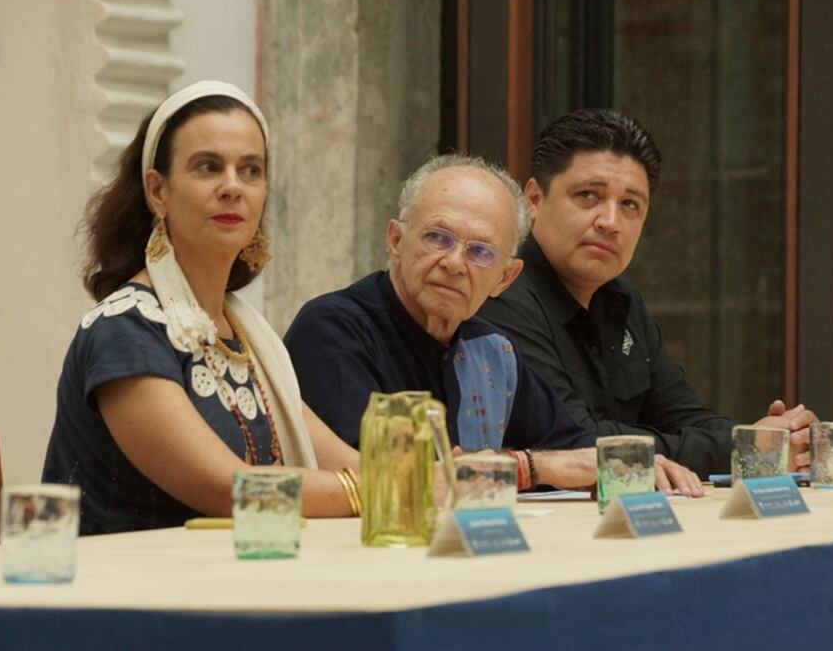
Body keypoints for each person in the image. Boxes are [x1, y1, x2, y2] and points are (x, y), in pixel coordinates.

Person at [42, 81, 362, 535]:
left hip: (232, 584)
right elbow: (232, 492)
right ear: (158, 191)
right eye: (209, 167)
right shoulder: (124, 331)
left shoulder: (244, 333)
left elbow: (347, 462)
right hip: (128, 595)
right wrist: (374, 492)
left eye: (251, 171)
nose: (233, 186)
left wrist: (429, 477)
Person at [284, 154, 703, 496]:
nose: (453, 263)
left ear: (505, 278)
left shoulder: (491, 352)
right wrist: (532, 467)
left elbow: (574, 450)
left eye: (480, 251)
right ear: (396, 241)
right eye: (437, 238)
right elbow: (391, 484)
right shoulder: (333, 330)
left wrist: (629, 463)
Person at [478, 109, 817, 478]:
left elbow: (684, 415)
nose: (610, 222)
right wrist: (745, 448)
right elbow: (579, 442)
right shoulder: (501, 292)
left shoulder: (621, 300)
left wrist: (771, 438)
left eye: (629, 205)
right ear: (533, 199)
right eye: (588, 195)